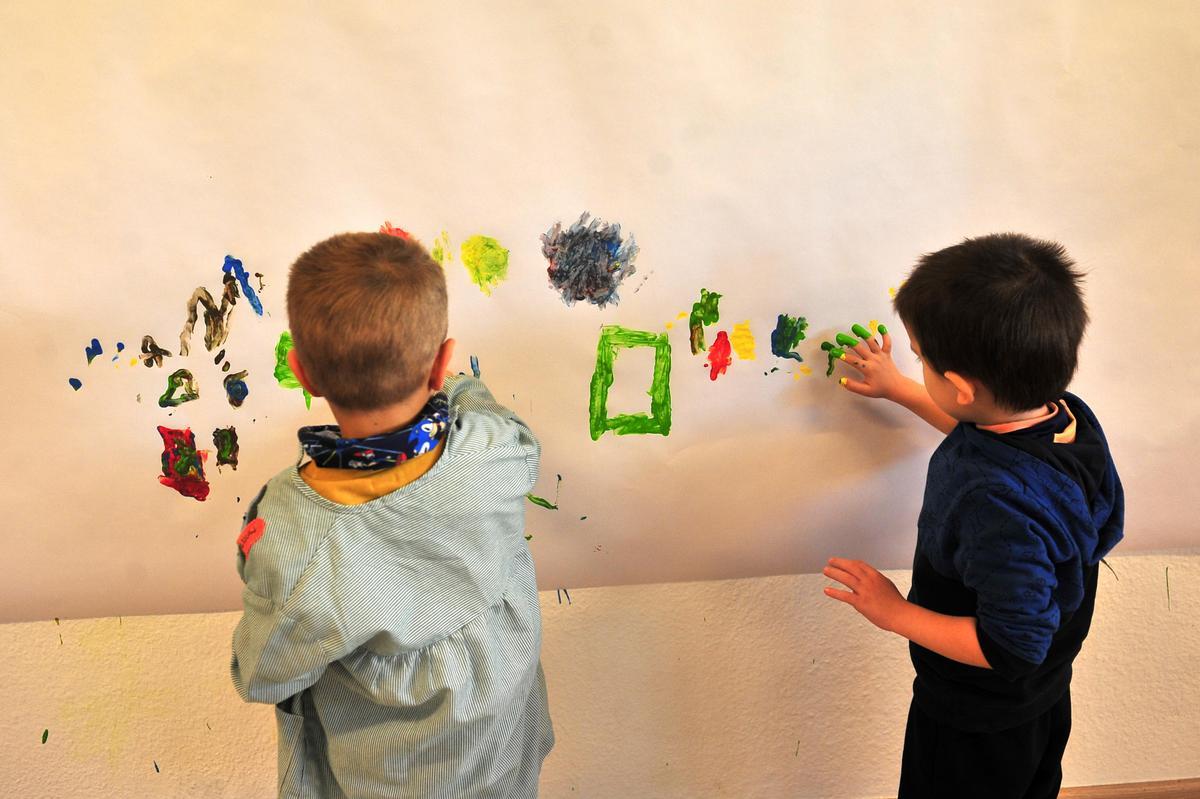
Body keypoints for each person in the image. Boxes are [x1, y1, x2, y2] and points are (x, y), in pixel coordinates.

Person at [231, 231, 554, 798]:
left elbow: (260, 673)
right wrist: (447, 376)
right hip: (502, 768)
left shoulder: (293, 537)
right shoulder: (495, 454)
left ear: (301, 372)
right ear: (442, 363)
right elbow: (478, 404)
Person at [823, 233, 1123, 798]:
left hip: (975, 721)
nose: (918, 364)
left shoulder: (995, 502)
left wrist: (894, 612)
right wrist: (901, 389)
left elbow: (1011, 645)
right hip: (1041, 701)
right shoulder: (1066, 420)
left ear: (960, 386)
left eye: (921, 360)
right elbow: (987, 439)